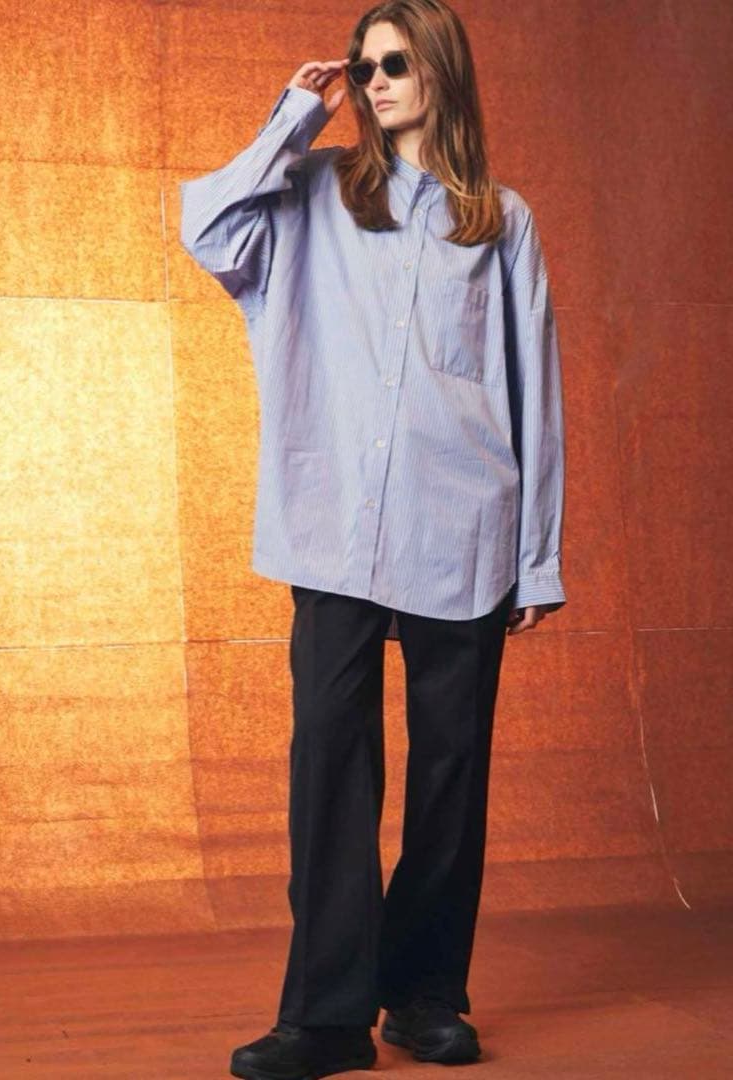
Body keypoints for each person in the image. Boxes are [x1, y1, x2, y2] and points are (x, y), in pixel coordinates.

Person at [179, 0, 567, 1075]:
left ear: (439, 69)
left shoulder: (500, 220)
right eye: (363, 65)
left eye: (394, 62)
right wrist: (292, 117)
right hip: (333, 527)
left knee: (451, 771)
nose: (375, 79)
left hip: (463, 526)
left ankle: (424, 993)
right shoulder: (310, 193)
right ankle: (325, 1015)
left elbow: (533, 392)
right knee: (329, 760)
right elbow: (207, 230)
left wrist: (537, 555)